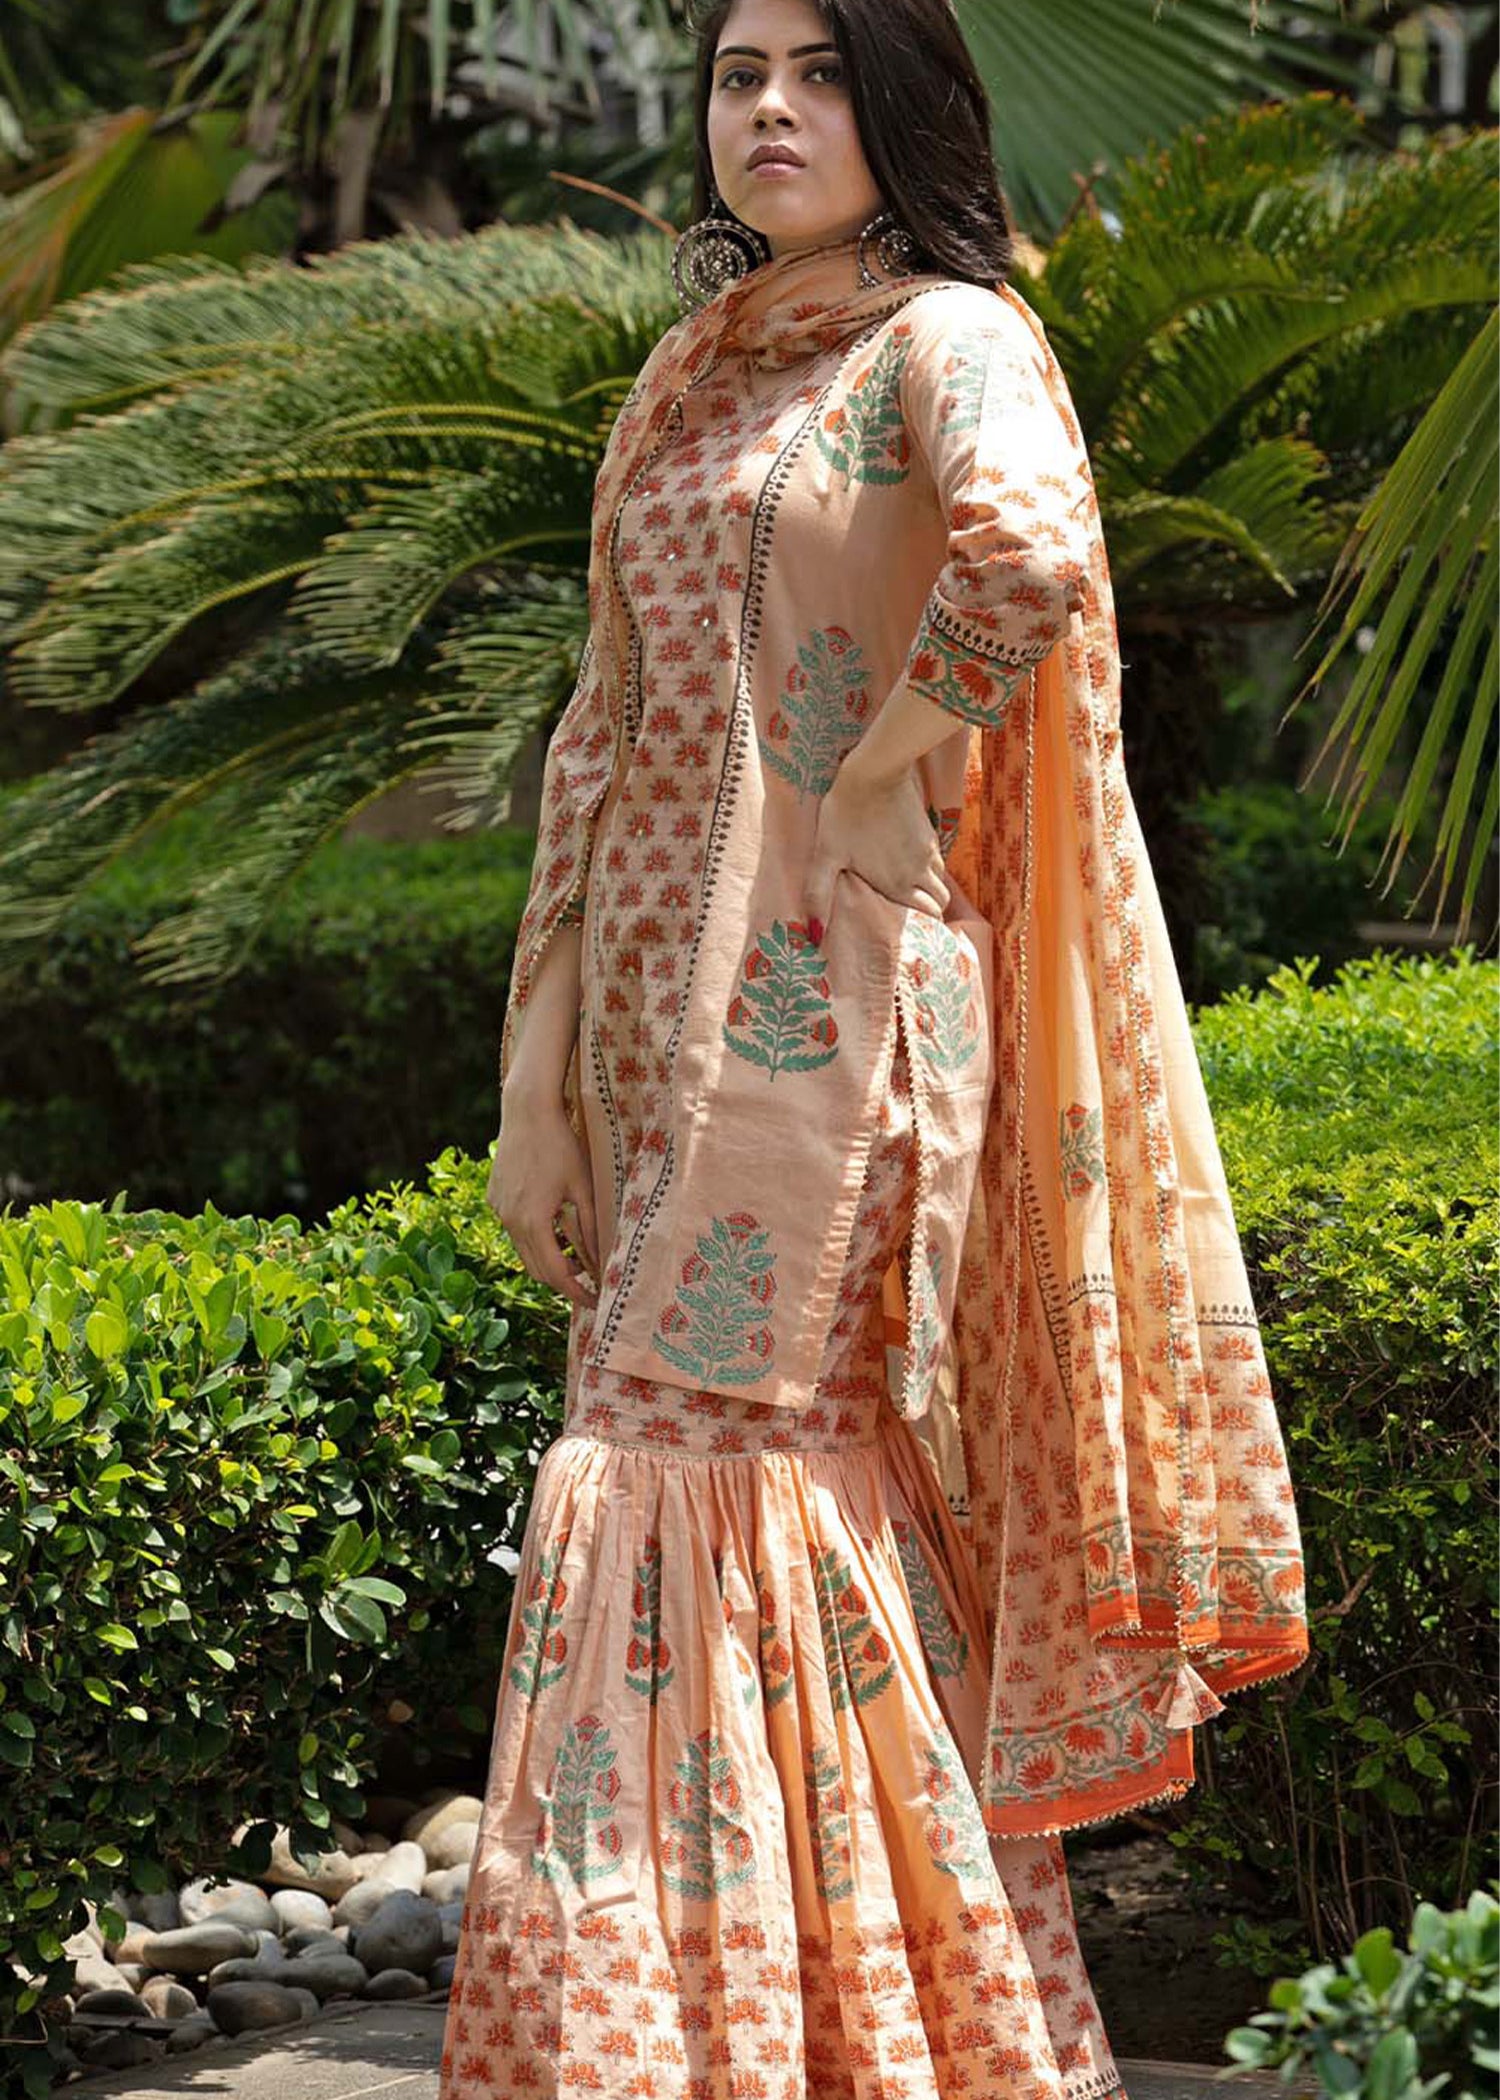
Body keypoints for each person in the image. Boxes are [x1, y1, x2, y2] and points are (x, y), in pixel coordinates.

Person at [438, 0, 1310, 2087]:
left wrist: (883, 763)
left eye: (820, 72)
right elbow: (596, 733)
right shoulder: (688, 375)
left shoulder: (949, 340)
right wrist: (532, 1090)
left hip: (829, 1021)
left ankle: (711, 2047)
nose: (770, 109)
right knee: (702, 1467)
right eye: (740, 73)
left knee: (728, 1470)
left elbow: (1034, 557)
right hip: (641, 1035)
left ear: (901, 107)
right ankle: (833, 2037)